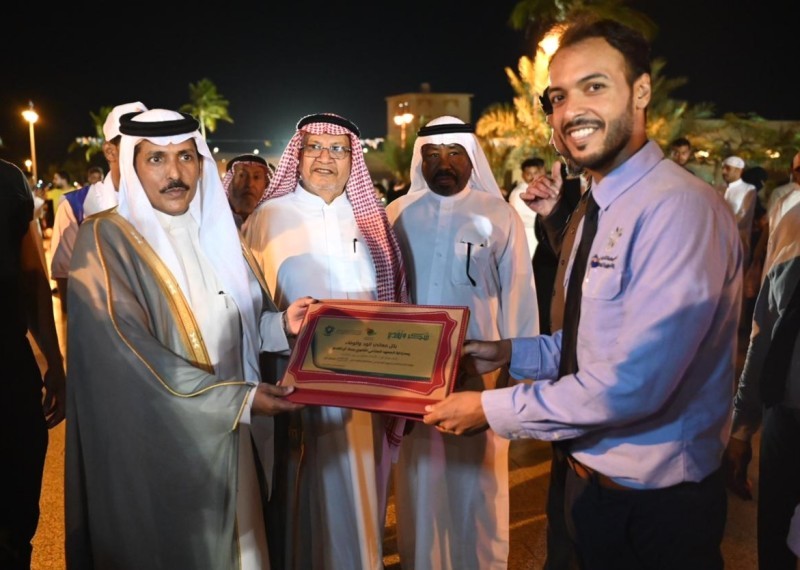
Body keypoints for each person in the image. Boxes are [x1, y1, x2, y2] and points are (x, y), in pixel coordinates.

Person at [423, 17, 743, 569]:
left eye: (595, 86)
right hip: (588, 487)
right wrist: (508, 352)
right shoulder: (601, 205)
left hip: (656, 513)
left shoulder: (678, 209)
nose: (571, 111)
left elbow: (634, 383)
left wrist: (488, 407)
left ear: (641, 91)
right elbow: (591, 343)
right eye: (558, 97)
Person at [64, 108, 314, 569]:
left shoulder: (217, 232)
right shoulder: (104, 239)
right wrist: (237, 399)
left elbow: (238, 319)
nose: (175, 173)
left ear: (201, 163)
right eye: (156, 159)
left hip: (235, 431)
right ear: (132, 166)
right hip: (167, 441)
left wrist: (281, 325)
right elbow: (125, 351)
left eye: (185, 156)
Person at [243, 112, 409, 570]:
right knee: (302, 502)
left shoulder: (369, 219)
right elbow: (243, 310)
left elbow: (395, 299)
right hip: (295, 388)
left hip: (366, 391)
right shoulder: (268, 218)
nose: (325, 158)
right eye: (314, 147)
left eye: (337, 149)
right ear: (297, 156)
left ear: (353, 159)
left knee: (361, 496)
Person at [385, 116, 539, 569]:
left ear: (471, 159)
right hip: (412, 375)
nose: (444, 164)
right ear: (420, 161)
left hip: (480, 373)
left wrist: (516, 376)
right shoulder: (396, 213)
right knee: (419, 481)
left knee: (479, 481)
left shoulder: (500, 214)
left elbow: (520, 295)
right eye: (432, 155)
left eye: (455, 153)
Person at [723, 200, 800, 570]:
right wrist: (741, 428)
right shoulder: (794, 222)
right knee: (775, 538)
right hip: (786, 415)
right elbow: (765, 332)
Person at [0, 159, 66, 570]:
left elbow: (30, 278)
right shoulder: (8, 180)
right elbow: (30, 278)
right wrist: (54, 365)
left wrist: (55, 363)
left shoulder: (9, 182)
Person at [48, 101, 148, 316]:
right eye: (135, 146)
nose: (145, 154)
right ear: (110, 151)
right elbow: (66, 280)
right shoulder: (76, 206)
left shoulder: (168, 200)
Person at [221, 153, 275, 229]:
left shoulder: (273, 219)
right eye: (242, 176)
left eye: (256, 177)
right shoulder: (215, 216)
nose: (249, 184)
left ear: (265, 184)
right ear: (229, 181)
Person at [507, 156, 547, 258]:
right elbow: (524, 217)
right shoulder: (518, 193)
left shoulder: (536, 189)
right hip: (526, 235)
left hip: (537, 235)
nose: (532, 177)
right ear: (523, 175)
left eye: (535, 173)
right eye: (529, 174)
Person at [722, 155, 757, 269]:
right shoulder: (719, 188)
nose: (723, 172)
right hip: (717, 239)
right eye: (723, 168)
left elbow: (743, 216)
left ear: (739, 170)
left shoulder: (749, 189)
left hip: (737, 241)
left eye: (728, 168)